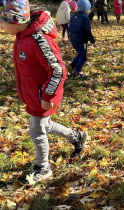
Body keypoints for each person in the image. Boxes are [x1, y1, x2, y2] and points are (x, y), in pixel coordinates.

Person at [0, 0, 88, 183]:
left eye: (2, 22)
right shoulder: (23, 36)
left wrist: (47, 96)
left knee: (37, 131)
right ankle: (77, 137)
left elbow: (58, 70)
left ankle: (43, 167)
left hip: (43, 96)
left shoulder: (38, 40)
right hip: (35, 96)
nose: (1, 26)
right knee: (45, 125)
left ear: (15, 20)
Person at [69, 0, 95, 78]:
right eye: (89, 9)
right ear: (86, 9)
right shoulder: (85, 18)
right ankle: (76, 73)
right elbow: (88, 31)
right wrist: (92, 41)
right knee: (83, 57)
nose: (90, 10)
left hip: (73, 40)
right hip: (81, 41)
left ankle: (71, 66)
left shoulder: (73, 17)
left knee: (80, 53)